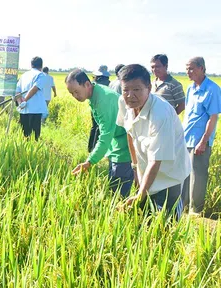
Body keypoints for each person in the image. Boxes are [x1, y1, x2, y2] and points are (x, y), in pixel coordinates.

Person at [117, 64, 190, 221]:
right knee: (143, 220)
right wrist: (135, 169)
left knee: (166, 225)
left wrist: (140, 194)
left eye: (136, 89)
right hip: (146, 171)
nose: (130, 95)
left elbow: (156, 160)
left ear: (149, 88)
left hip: (169, 177)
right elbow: (129, 133)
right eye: (125, 90)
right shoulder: (124, 103)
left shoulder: (160, 113)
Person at [66, 69, 133, 197]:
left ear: (86, 84)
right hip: (117, 144)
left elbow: (105, 136)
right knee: (114, 185)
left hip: (125, 147)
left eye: (76, 91)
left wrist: (89, 162)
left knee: (118, 192)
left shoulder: (103, 100)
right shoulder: (95, 93)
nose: (75, 96)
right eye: (71, 93)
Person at [182, 57, 221, 214]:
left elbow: (213, 117)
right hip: (186, 138)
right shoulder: (191, 89)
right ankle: (183, 207)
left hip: (200, 141)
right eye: (186, 68)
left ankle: (196, 211)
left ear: (202, 68)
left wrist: (203, 141)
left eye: (191, 68)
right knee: (184, 174)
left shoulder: (212, 89)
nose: (188, 72)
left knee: (197, 176)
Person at [15, 56, 48, 140]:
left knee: (25, 135)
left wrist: (20, 102)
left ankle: (25, 152)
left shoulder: (24, 75)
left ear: (31, 65)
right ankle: (33, 152)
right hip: (35, 110)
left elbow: (17, 90)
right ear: (41, 66)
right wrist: (25, 100)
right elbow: (35, 88)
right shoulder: (41, 75)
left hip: (24, 109)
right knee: (35, 137)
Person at [88, 65, 111, 152]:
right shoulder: (108, 83)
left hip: (94, 106)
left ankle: (91, 148)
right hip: (105, 107)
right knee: (100, 128)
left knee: (94, 126)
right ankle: (95, 149)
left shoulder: (94, 83)